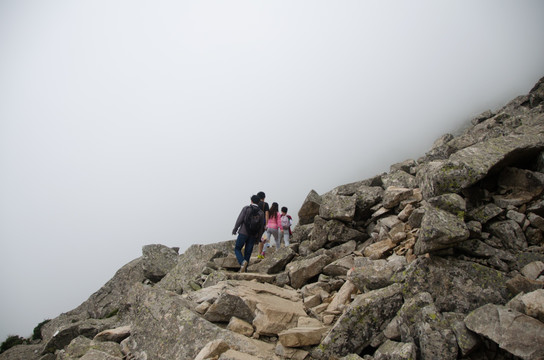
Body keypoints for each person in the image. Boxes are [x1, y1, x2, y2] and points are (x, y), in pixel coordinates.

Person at [232, 195, 265, 272]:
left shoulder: (246, 208)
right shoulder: (261, 213)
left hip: (243, 232)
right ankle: (245, 269)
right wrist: (258, 238)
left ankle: (242, 262)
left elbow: (239, 219)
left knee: (237, 248)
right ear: (258, 202)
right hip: (253, 235)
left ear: (251, 201)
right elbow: (261, 227)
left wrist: (235, 229)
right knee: (248, 252)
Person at [256, 191, 270, 258]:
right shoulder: (265, 204)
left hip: (256, 223)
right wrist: (267, 224)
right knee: (263, 238)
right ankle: (260, 254)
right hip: (263, 223)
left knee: (258, 238)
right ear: (264, 197)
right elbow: (267, 214)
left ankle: (259, 253)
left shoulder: (256, 204)